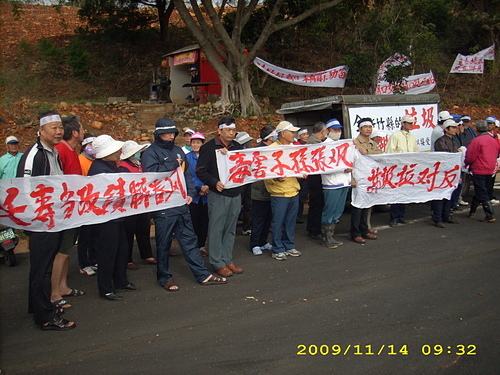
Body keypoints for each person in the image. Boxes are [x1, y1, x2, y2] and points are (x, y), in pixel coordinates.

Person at [141, 118, 227, 290]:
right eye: (167, 133)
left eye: (173, 133)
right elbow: (151, 175)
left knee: (190, 240)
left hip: (181, 203)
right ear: (158, 134)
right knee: (163, 243)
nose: (171, 136)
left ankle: (202, 274)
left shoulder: (178, 150)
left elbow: (186, 173)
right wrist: (173, 164)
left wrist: (190, 192)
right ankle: (164, 277)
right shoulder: (150, 153)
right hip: (163, 206)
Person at [16, 110, 76, 331]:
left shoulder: (53, 152)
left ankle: (39, 307)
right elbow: (25, 188)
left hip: (53, 218)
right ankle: (45, 316)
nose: (59, 131)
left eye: (61, 127)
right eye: (54, 128)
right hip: (41, 221)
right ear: (40, 131)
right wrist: (36, 219)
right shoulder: (35, 155)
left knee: (44, 266)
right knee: (41, 269)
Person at [88, 135, 139, 301]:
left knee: (122, 249)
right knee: (107, 253)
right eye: (116, 151)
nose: (119, 153)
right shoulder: (99, 169)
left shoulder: (110, 166)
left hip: (117, 216)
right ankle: (105, 288)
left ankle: (120, 280)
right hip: (105, 219)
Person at [196, 116, 245, 277]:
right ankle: (217, 261)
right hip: (218, 194)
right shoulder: (209, 148)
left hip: (235, 192)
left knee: (230, 228)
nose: (232, 133)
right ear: (220, 131)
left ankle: (227, 258)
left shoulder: (237, 146)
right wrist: (213, 182)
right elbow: (201, 171)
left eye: (233, 130)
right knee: (216, 228)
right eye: (228, 130)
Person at [50, 116, 85, 311]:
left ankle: (63, 286)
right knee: (61, 252)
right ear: (74, 133)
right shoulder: (60, 151)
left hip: (74, 209)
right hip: (63, 210)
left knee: (67, 250)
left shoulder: (71, 151)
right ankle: (54, 292)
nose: (83, 132)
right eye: (81, 129)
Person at [264, 121, 303, 261]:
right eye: (291, 132)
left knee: (290, 221)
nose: (294, 134)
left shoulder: (293, 148)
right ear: (283, 133)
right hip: (279, 192)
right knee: (278, 222)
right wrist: (275, 178)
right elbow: (265, 170)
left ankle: (289, 245)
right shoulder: (271, 149)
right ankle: (277, 248)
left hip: (293, 189)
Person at [118, 140, 157, 270]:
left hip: (141, 202)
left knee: (143, 228)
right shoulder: (123, 167)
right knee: (128, 231)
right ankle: (127, 258)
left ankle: (146, 254)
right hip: (129, 204)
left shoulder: (139, 164)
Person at [350, 118, 382, 244]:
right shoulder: (354, 142)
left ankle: (364, 230)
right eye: (365, 126)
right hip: (358, 178)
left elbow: (380, 154)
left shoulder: (372, 143)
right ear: (359, 128)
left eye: (370, 126)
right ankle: (355, 232)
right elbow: (350, 161)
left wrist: (367, 151)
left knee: (367, 204)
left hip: (370, 177)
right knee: (358, 206)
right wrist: (351, 179)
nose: (368, 129)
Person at [386, 114, 419, 227]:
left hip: (408, 169)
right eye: (408, 123)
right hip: (397, 169)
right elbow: (390, 152)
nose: (410, 125)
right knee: (396, 193)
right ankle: (394, 217)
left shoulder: (412, 137)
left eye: (411, 123)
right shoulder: (395, 136)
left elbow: (416, 152)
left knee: (404, 193)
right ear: (402, 124)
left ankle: (401, 215)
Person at [466, 120, 500, 222]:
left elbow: (470, 156)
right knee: (481, 190)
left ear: (477, 129)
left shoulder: (476, 141)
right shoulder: (493, 140)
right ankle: (472, 212)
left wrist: (466, 162)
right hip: (490, 168)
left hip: (479, 168)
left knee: (481, 191)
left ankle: (490, 214)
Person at [250, 125, 276, 255]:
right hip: (259, 190)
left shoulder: (274, 149)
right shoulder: (258, 151)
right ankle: (254, 243)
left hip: (272, 191)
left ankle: (263, 241)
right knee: (258, 219)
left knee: (268, 219)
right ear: (269, 136)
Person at [432, 120, 461, 228]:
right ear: (446, 129)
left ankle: (446, 215)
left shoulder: (453, 141)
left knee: (448, 195)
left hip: (451, 172)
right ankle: (437, 218)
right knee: (440, 196)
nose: (455, 129)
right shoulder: (440, 141)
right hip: (441, 172)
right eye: (452, 127)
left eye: (455, 127)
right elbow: (444, 157)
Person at [185, 132, 209, 256]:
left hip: (206, 195)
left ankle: (201, 245)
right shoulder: (187, 157)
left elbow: (210, 172)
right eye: (193, 142)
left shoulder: (207, 156)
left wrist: (207, 186)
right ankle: (192, 246)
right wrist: (200, 186)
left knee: (204, 221)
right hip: (193, 195)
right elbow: (188, 175)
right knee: (193, 221)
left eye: (198, 142)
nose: (195, 145)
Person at [77, 134, 98, 276]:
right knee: (84, 235)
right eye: (90, 144)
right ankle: (83, 264)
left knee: (94, 234)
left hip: (95, 202)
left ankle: (94, 259)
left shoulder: (95, 160)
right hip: (84, 202)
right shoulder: (80, 160)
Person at [306, 122, 328, 240]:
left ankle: (312, 228)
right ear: (323, 131)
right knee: (317, 203)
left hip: (313, 176)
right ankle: (315, 229)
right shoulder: (315, 143)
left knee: (315, 204)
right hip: (315, 176)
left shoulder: (312, 140)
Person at [235, 131, 254, 235]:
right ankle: (232, 227)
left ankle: (246, 227)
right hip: (238, 182)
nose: (248, 144)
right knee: (237, 205)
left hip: (248, 180)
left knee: (248, 204)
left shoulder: (250, 152)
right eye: (245, 142)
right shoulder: (234, 152)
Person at [294, 129, 309, 224]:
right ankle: (296, 215)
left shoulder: (308, 145)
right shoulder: (296, 146)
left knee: (303, 197)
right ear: (299, 136)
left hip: (306, 176)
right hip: (298, 176)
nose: (306, 136)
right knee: (298, 197)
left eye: (307, 134)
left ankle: (299, 215)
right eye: (303, 134)